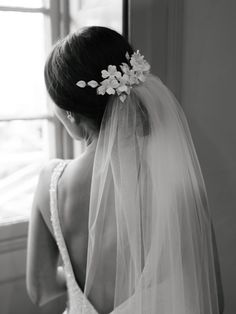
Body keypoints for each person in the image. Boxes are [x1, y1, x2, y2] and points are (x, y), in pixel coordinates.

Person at [26, 26, 224, 314]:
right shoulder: (176, 184)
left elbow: (40, 289)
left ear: (71, 114)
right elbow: (213, 299)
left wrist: (72, 277)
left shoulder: (50, 183)